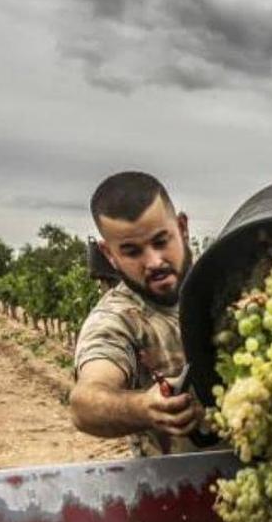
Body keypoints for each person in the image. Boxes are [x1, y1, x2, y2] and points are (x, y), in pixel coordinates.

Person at [70, 171, 206, 457]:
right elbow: (85, 403)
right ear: (109, 255)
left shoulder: (231, 281)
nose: (154, 262)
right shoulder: (117, 319)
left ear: (182, 228)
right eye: (132, 252)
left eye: (161, 242)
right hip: (180, 487)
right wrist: (143, 407)